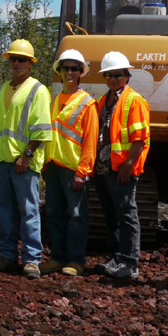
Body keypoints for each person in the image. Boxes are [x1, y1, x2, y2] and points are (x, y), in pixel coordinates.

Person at [0, 39, 52, 279]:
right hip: (2, 161)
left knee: (28, 211)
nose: (16, 63)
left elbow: (42, 129)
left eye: (21, 59)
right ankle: (7, 255)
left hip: (24, 163)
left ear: (30, 63)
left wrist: (27, 155)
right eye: (13, 59)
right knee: (5, 211)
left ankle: (32, 260)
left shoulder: (37, 90)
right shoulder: (2, 88)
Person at [90, 51, 150, 280]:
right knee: (111, 216)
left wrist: (128, 165)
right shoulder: (104, 100)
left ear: (127, 75)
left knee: (126, 215)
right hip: (103, 167)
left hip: (121, 169)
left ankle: (129, 263)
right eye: (108, 75)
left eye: (117, 75)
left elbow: (140, 137)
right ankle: (115, 258)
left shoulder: (134, 101)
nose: (112, 78)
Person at [40, 49, 98, 276]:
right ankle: (58, 257)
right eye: (66, 68)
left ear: (81, 72)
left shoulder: (87, 103)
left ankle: (76, 261)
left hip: (73, 168)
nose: (70, 72)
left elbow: (90, 142)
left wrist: (82, 171)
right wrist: (44, 164)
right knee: (53, 213)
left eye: (74, 68)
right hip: (53, 167)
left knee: (75, 215)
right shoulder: (54, 100)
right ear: (60, 72)